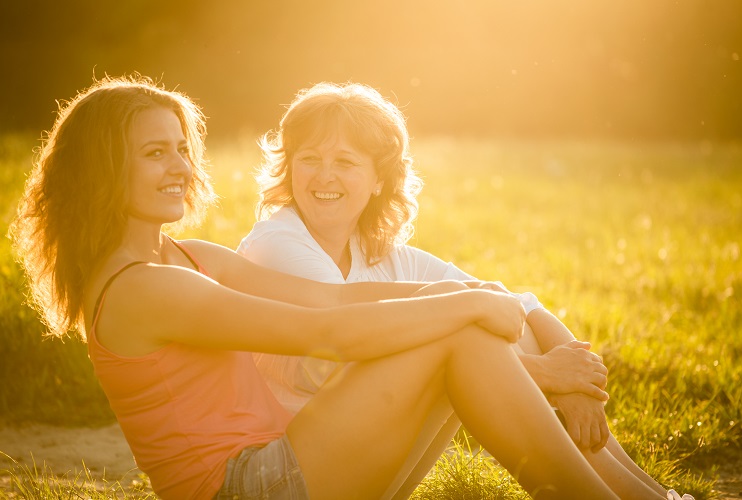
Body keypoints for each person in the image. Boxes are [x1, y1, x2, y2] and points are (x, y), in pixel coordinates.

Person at [9, 75, 627, 500]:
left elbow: (331, 299)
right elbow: (327, 334)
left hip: (282, 467)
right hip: (244, 489)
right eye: (154, 153)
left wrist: (477, 297)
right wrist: (473, 305)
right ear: (104, 170)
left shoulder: (190, 257)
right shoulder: (142, 289)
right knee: (459, 334)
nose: (179, 168)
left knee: (458, 329)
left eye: (181, 149)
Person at [238, 82, 694, 500]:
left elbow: (515, 305)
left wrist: (573, 383)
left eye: (345, 162)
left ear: (379, 179)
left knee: (487, 317)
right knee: (463, 326)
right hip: (291, 470)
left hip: (354, 466)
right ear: (289, 167)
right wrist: (546, 375)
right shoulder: (278, 244)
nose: (324, 177)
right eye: (309, 159)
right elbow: (351, 351)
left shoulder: (381, 253)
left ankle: (649, 497)